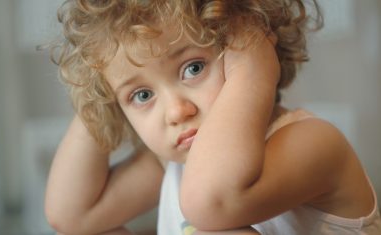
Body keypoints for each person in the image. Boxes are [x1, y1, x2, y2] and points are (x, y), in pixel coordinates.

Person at [44, 0, 381, 234]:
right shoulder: (172, 162)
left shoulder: (314, 143)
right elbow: (71, 215)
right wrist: (96, 100)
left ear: (245, 45)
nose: (177, 111)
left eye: (193, 68)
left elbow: (212, 201)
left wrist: (253, 69)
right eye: (142, 95)